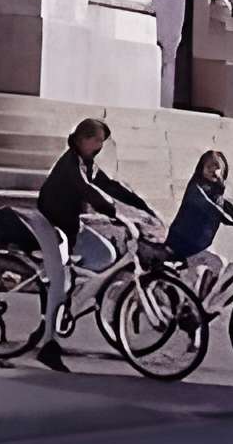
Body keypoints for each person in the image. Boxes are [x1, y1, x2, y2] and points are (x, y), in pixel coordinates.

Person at [24, 119, 155, 372]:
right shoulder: (70, 164)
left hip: (70, 226)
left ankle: (68, 302)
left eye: (102, 143)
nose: (100, 147)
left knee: (106, 255)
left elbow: (110, 186)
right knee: (60, 282)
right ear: (83, 139)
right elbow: (88, 191)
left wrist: (142, 207)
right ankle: (48, 344)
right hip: (49, 225)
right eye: (97, 141)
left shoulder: (87, 163)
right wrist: (115, 213)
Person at [164, 149, 233, 305]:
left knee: (204, 274)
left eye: (217, 167)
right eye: (209, 166)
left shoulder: (215, 193)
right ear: (201, 169)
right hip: (183, 246)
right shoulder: (196, 189)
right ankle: (199, 305)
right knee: (216, 265)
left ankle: (198, 304)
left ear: (223, 171)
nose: (213, 171)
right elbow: (215, 210)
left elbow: (231, 210)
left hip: (198, 246)